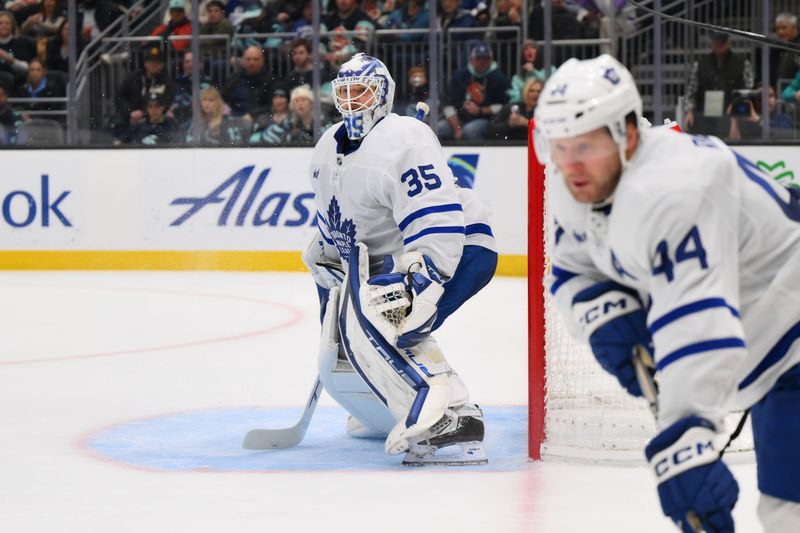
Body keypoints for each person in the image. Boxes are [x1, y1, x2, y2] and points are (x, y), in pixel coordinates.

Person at [534, 54, 800, 532]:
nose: (570, 164)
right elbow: (574, 267)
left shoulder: (671, 188)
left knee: (789, 514)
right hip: (772, 355)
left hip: (791, 337)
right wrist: (603, 314)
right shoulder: (583, 185)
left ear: (627, 133)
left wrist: (687, 436)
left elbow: (698, 327)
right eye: (560, 146)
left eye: (586, 145)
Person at [305, 53, 497, 466]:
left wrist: (425, 280)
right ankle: (383, 411)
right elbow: (339, 221)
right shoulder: (327, 148)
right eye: (346, 92)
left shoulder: (403, 138)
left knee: (389, 317)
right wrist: (325, 251)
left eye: (363, 91)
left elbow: (438, 221)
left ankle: (454, 419)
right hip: (401, 254)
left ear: (383, 94)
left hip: (461, 246)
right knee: (351, 321)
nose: (353, 102)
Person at [684, 31, 753, 137]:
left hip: (732, 117)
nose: (720, 44)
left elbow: (748, 91)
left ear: (729, 42)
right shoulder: (699, 64)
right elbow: (691, 91)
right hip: (704, 116)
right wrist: (689, 111)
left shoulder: (743, 63)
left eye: (723, 41)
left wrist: (736, 118)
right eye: (716, 42)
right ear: (711, 43)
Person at [439, 42, 509, 140]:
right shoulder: (460, 76)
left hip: (486, 120)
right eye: (478, 58)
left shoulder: (499, 78)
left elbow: (504, 106)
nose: (482, 61)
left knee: (470, 131)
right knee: (438, 128)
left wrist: (481, 110)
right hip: (459, 118)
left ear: (491, 60)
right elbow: (447, 104)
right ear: (471, 60)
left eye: (486, 58)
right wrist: (457, 129)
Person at [112, 45, 176, 143]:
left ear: (162, 65)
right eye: (150, 61)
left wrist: (145, 114)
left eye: (157, 62)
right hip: (128, 119)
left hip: (155, 122)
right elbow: (120, 98)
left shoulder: (167, 82)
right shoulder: (132, 78)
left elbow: (168, 103)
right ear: (145, 63)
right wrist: (130, 112)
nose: (153, 64)